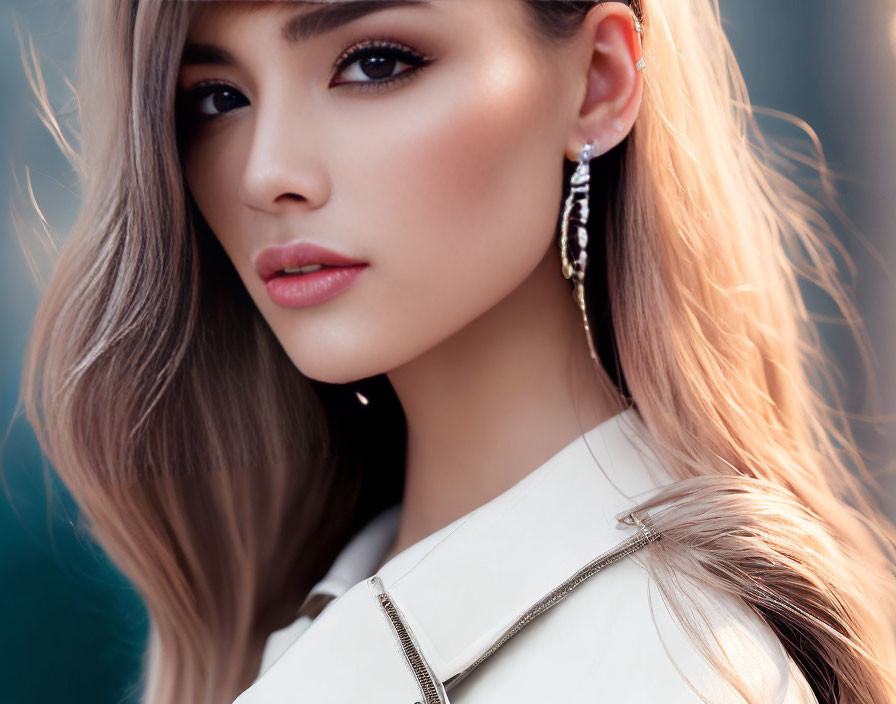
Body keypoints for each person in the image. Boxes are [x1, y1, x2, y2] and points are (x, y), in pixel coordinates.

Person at [16, 0, 896, 702]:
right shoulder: (309, 596)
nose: (264, 171)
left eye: (374, 62)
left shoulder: (670, 663)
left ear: (597, 83)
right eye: (216, 97)